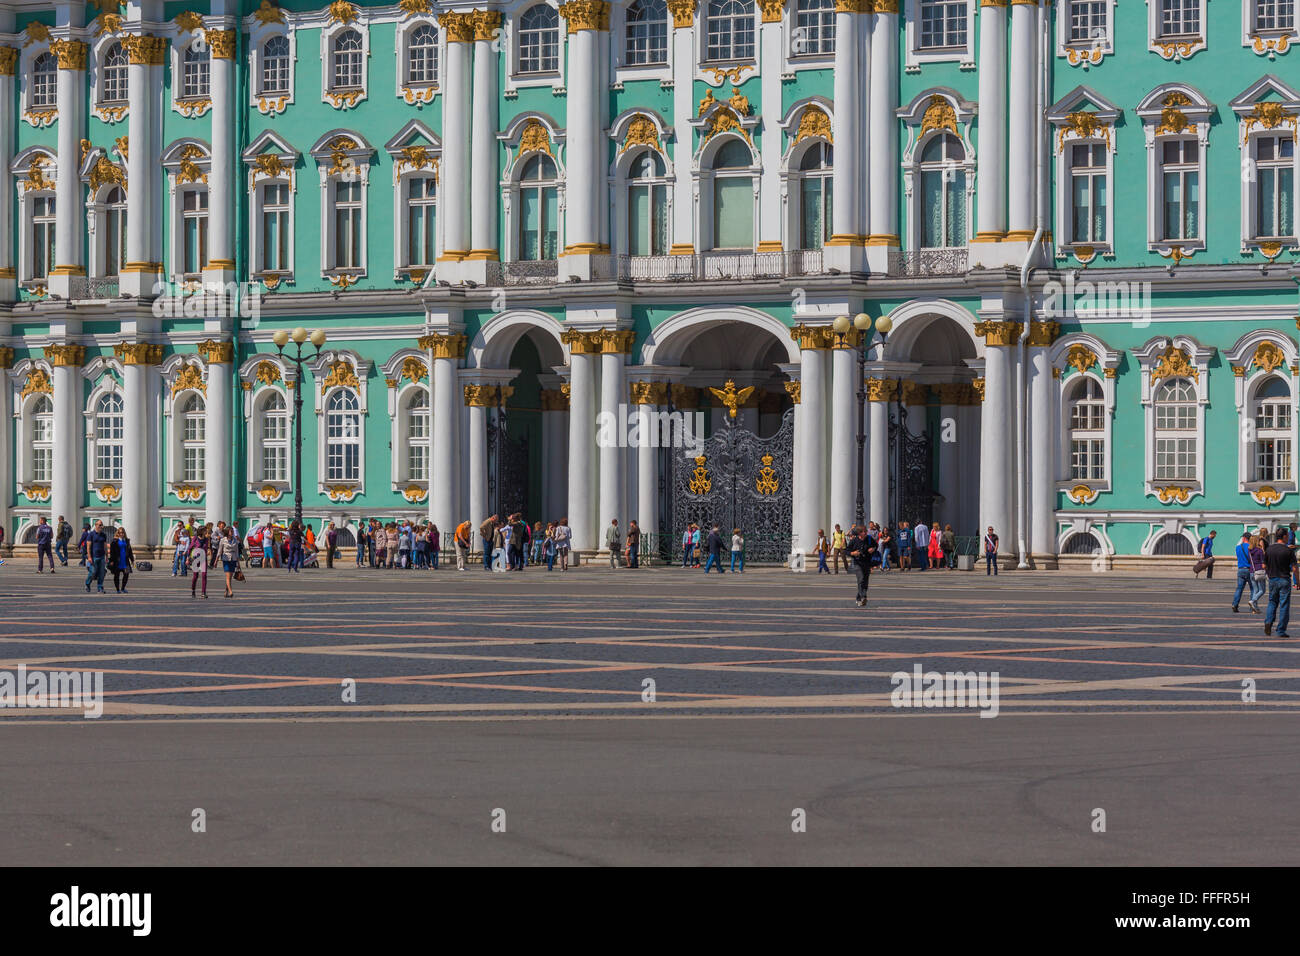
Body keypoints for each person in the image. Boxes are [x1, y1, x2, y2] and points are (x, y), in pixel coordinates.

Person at [1264, 528, 1296, 637]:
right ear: (1284, 537)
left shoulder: (1269, 549)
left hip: (1272, 579)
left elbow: (1264, 565)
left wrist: (1269, 574)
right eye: (1287, 536)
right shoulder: (1288, 551)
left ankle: (1268, 622)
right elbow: (1295, 569)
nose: (1288, 538)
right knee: (1284, 605)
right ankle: (1281, 630)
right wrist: (1299, 582)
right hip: (1284, 579)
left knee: (1272, 602)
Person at [848, 525, 878, 608]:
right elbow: (847, 550)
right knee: (861, 579)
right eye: (863, 532)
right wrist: (853, 553)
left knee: (865, 581)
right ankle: (863, 596)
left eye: (865, 531)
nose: (865, 533)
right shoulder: (854, 540)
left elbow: (876, 545)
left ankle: (858, 598)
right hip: (858, 563)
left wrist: (873, 549)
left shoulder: (869, 539)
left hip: (867, 563)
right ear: (859, 533)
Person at [84, 520, 108, 592]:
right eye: (100, 525)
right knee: (92, 572)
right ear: (96, 525)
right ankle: (87, 584)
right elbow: (88, 546)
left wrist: (107, 556)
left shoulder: (104, 535)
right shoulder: (91, 534)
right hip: (94, 557)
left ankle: (100, 587)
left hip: (102, 556)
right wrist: (89, 557)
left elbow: (105, 546)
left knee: (102, 572)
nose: (101, 526)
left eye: (102, 525)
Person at [108, 526, 134, 593]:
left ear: (124, 533)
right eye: (120, 533)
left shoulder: (127, 541)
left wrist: (132, 559)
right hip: (117, 561)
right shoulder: (114, 541)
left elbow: (130, 550)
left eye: (122, 533)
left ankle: (123, 588)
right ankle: (117, 589)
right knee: (117, 576)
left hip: (125, 560)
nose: (121, 534)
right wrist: (111, 560)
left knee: (126, 574)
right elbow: (112, 552)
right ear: (118, 533)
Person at [219, 527, 240, 597]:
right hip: (226, 559)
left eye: (232, 531)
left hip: (233, 559)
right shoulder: (223, 540)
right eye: (231, 531)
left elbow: (237, 551)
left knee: (230, 577)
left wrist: (238, 562)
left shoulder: (235, 540)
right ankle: (231, 592)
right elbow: (220, 550)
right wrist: (216, 560)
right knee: (228, 576)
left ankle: (226, 591)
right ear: (227, 532)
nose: (232, 532)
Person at [190, 526, 209, 598]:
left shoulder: (206, 539)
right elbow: (190, 548)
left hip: (203, 559)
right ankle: (193, 590)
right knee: (195, 576)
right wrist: (188, 558)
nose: (206, 532)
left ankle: (203, 593)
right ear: (201, 531)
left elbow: (207, 548)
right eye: (205, 531)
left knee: (204, 576)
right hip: (196, 559)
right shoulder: (195, 538)